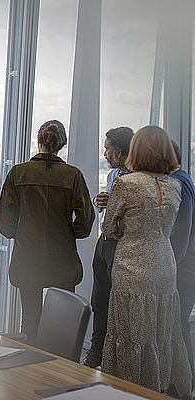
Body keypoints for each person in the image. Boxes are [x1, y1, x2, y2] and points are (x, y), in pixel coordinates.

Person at [101, 126, 191, 396]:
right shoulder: (175, 185)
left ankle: (127, 390)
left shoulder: (126, 184)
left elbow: (110, 229)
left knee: (130, 334)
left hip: (132, 266)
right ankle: (158, 388)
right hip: (165, 266)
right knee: (161, 334)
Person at [0, 120, 94, 345]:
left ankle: (28, 374)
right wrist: (68, 232)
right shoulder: (73, 176)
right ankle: (57, 374)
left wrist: (19, 233)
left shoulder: (17, 173)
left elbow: (5, 225)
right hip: (62, 260)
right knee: (62, 324)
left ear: (38, 141)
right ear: (62, 144)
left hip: (27, 259)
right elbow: (84, 224)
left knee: (29, 322)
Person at [82, 127, 134, 368]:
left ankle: (114, 358)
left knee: (117, 305)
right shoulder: (113, 177)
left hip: (121, 247)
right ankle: (97, 351)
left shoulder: (136, 181)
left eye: (107, 149)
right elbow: (111, 208)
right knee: (99, 301)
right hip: (104, 244)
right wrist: (100, 201)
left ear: (120, 152)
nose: (104, 153)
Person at [169, 140, 195, 383]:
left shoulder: (179, 182)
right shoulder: (180, 179)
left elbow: (181, 236)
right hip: (185, 266)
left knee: (177, 327)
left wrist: (169, 267)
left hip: (183, 268)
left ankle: (185, 384)